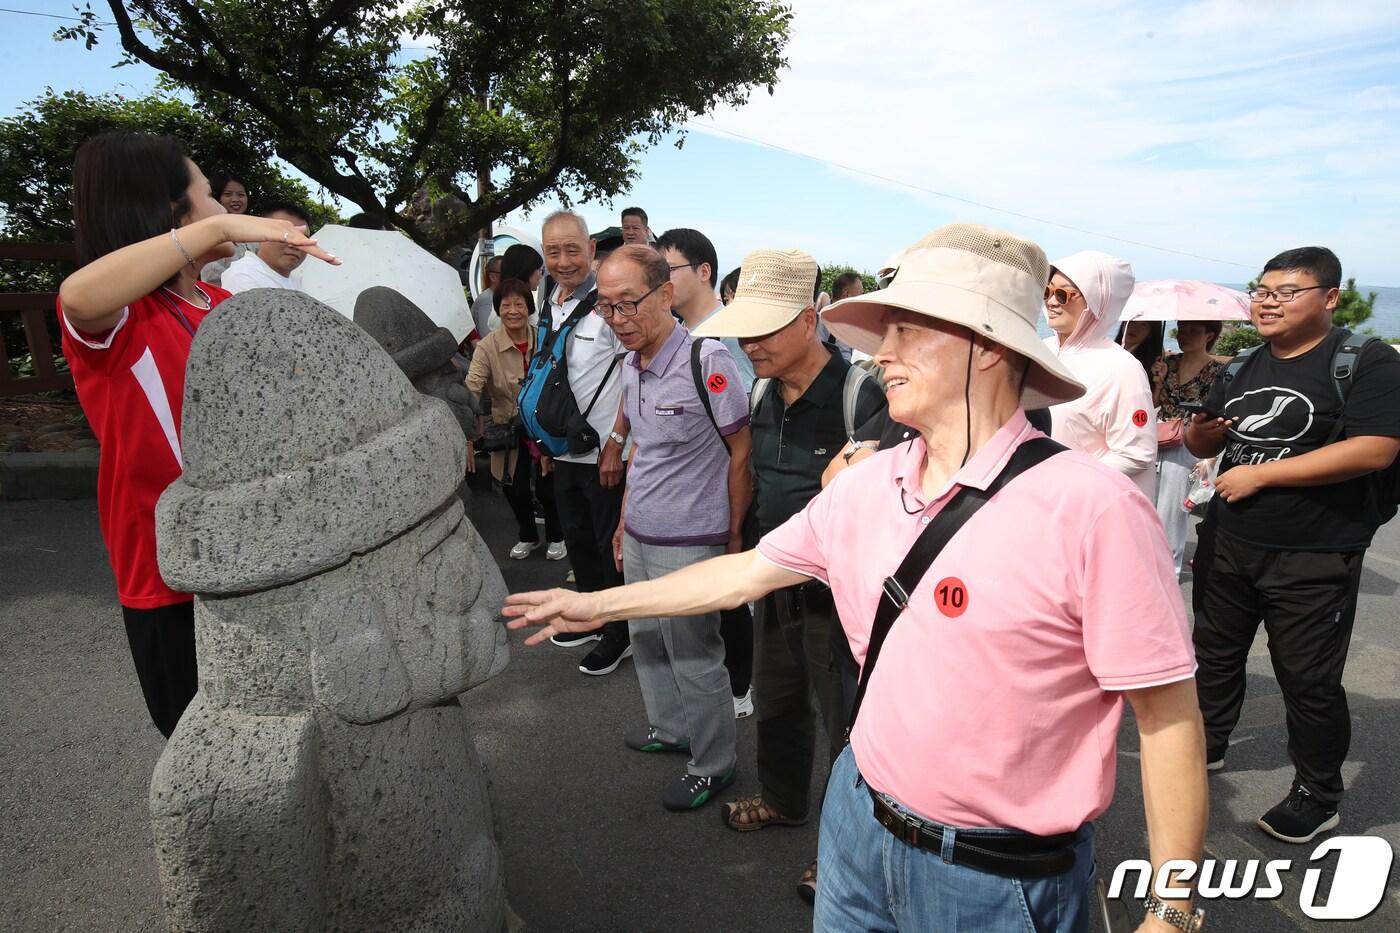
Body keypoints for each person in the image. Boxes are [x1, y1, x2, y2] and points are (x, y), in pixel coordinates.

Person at [507, 223, 1207, 933]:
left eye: (907, 330)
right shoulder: (867, 485)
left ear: (989, 345)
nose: (883, 351)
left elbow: (1168, 719)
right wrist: (599, 604)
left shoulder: (1094, 509)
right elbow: (745, 573)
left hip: (994, 882)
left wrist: (1172, 910)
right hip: (855, 827)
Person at [57, 132, 336, 738]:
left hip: (256, 551)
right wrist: (221, 229)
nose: (226, 209)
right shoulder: (123, 316)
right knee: (206, 742)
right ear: (170, 212)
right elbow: (77, 295)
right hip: (170, 573)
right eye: (210, 196)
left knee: (288, 729)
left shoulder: (219, 301)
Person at [1186, 246, 1400, 845]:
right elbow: (1206, 446)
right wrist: (1202, 431)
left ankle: (1317, 794)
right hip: (1228, 541)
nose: (1268, 302)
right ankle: (1208, 743)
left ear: (1329, 298)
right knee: (1215, 654)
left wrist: (1264, 475)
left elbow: (1376, 448)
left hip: (1314, 554)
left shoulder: (1366, 361)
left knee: (1308, 680)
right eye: (1262, 291)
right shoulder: (1240, 366)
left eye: (1286, 292)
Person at [694, 248, 886, 904]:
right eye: (743, 329)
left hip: (841, 595)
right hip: (774, 579)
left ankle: (844, 852)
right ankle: (782, 797)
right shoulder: (760, 389)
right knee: (776, 699)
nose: (749, 344)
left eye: (764, 329)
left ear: (809, 320)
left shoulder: (864, 394)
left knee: (849, 727)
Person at [595, 244, 752, 810]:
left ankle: (713, 764)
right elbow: (643, 452)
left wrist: (733, 540)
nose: (618, 319)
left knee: (694, 655)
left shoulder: (708, 362)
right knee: (646, 639)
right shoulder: (630, 365)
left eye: (628, 303)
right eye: (606, 306)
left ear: (665, 294)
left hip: (690, 542)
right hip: (640, 534)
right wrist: (623, 522)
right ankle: (671, 729)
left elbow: (741, 452)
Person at [655, 228, 757, 717]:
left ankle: (739, 687)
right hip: (685, 495)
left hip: (725, 489)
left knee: (728, 595)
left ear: (703, 271)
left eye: (668, 270)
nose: (660, 282)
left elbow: (747, 418)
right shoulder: (673, 335)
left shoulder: (731, 334)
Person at [534, 210, 633, 676]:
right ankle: (592, 618)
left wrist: (616, 442)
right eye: (553, 251)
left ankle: (621, 630)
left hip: (604, 454)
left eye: (572, 250)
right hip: (564, 449)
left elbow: (632, 375)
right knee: (578, 540)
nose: (563, 261)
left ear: (592, 250)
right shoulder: (548, 301)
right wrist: (546, 443)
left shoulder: (608, 303)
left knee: (608, 544)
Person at [1044, 251, 1158, 498]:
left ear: (1096, 301)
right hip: (1038, 495)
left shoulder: (1121, 369)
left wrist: (1066, 478)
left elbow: (1136, 453)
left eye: (1063, 294)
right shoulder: (1041, 350)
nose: (1051, 301)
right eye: (1047, 291)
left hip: (1083, 501)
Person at [466, 277, 565, 561]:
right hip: (507, 427)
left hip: (543, 425)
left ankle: (556, 536)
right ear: (498, 310)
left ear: (529, 307)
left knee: (548, 486)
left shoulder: (544, 339)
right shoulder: (487, 347)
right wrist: (466, 433)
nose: (512, 311)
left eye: (519, 304)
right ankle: (528, 536)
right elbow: (472, 387)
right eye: (505, 305)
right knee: (514, 487)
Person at [1151, 320, 1226, 574]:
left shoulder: (1217, 371)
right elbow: (1153, 403)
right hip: (1158, 435)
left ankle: (1169, 570)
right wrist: (1158, 382)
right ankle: (1146, 563)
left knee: (1173, 510)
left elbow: (1218, 413)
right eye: (1183, 329)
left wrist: (1210, 458)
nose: (1185, 335)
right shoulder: (1168, 363)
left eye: (1194, 331)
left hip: (1190, 443)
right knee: (1146, 502)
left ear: (1210, 335)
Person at [220, 202, 312, 293]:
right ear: (261, 234)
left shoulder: (295, 282)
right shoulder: (243, 275)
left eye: (303, 238)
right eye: (285, 235)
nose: (294, 244)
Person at [199, 170, 256, 286]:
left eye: (241, 194)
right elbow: (211, 278)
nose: (235, 199)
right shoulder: (210, 233)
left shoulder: (256, 231)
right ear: (216, 197)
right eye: (228, 194)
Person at [470, 255, 502, 339]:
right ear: (492, 277)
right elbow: (487, 338)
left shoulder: (499, 297)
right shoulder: (487, 301)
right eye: (506, 272)